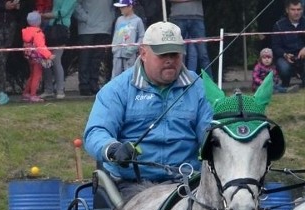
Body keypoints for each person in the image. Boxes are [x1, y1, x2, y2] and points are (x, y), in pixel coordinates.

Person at [83, 21, 213, 197]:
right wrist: (113, 149)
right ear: (143, 53)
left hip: (189, 183)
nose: (169, 60)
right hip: (132, 185)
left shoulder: (200, 87)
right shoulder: (117, 89)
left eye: (174, 54)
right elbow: (95, 132)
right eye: (162, 54)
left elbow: (210, 133)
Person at [271, 0, 305, 89]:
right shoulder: (278, 25)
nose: (296, 12)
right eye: (293, 9)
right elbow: (275, 46)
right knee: (282, 66)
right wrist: (284, 55)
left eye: (299, 9)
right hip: (287, 56)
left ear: (302, 10)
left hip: (304, 55)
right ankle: (285, 83)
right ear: (287, 10)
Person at [75, 0, 115, 96]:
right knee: (85, 58)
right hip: (86, 30)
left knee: (97, 59)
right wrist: (85, 18)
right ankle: (84, 85)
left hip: (104, 28)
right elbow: (75, 4)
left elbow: (113, 7)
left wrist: (110, 19)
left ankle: (94, 83)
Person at [38, 0, 76, 99]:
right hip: (50, 28)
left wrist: (45, 15)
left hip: (61, 30)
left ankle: (60, 89)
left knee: (56, 60)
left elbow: (62, 13)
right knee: (46, 59)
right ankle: (48, 89)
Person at [169, 0, 211, 78]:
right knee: (174, 52)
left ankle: (209, 85)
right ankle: (175, 82)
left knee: (203, 55)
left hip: (194, 17)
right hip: (179, 17)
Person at [21, 10, 52, 102]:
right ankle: (33, 95)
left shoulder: (26, 32)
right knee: (37, 76)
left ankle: (26, 93)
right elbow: (41, 46)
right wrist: (49, 55)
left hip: (29, 56)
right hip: (37, 57)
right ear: (39, 21)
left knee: (32, 75)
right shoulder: (38, 33)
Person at [111, 0, 144, 78]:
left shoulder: (138, 20)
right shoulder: (119, 19)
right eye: (120, 7)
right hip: (117, 52)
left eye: (123, 7)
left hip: (130, 54)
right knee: (115, 75)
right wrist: (114, 47)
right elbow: (116, 33)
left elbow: (142, 36)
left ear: (130, 7)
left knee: (129, 75)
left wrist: (133, 48)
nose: (121, 9)